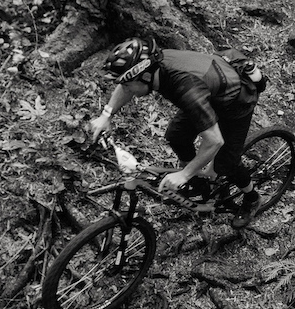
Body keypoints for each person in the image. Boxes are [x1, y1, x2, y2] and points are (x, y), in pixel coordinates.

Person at [85, 37, 263, 229]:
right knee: (176, 136)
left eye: (128, 85)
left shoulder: (187, 89)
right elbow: (127, 84)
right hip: (209, 92)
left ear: (145, 76)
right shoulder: (154, 67)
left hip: (235, 102)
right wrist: (106, 115)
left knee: (226, 162)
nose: (126, 90)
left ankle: (252, 197)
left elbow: (214, 141)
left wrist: (184, 175)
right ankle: (200, 183)